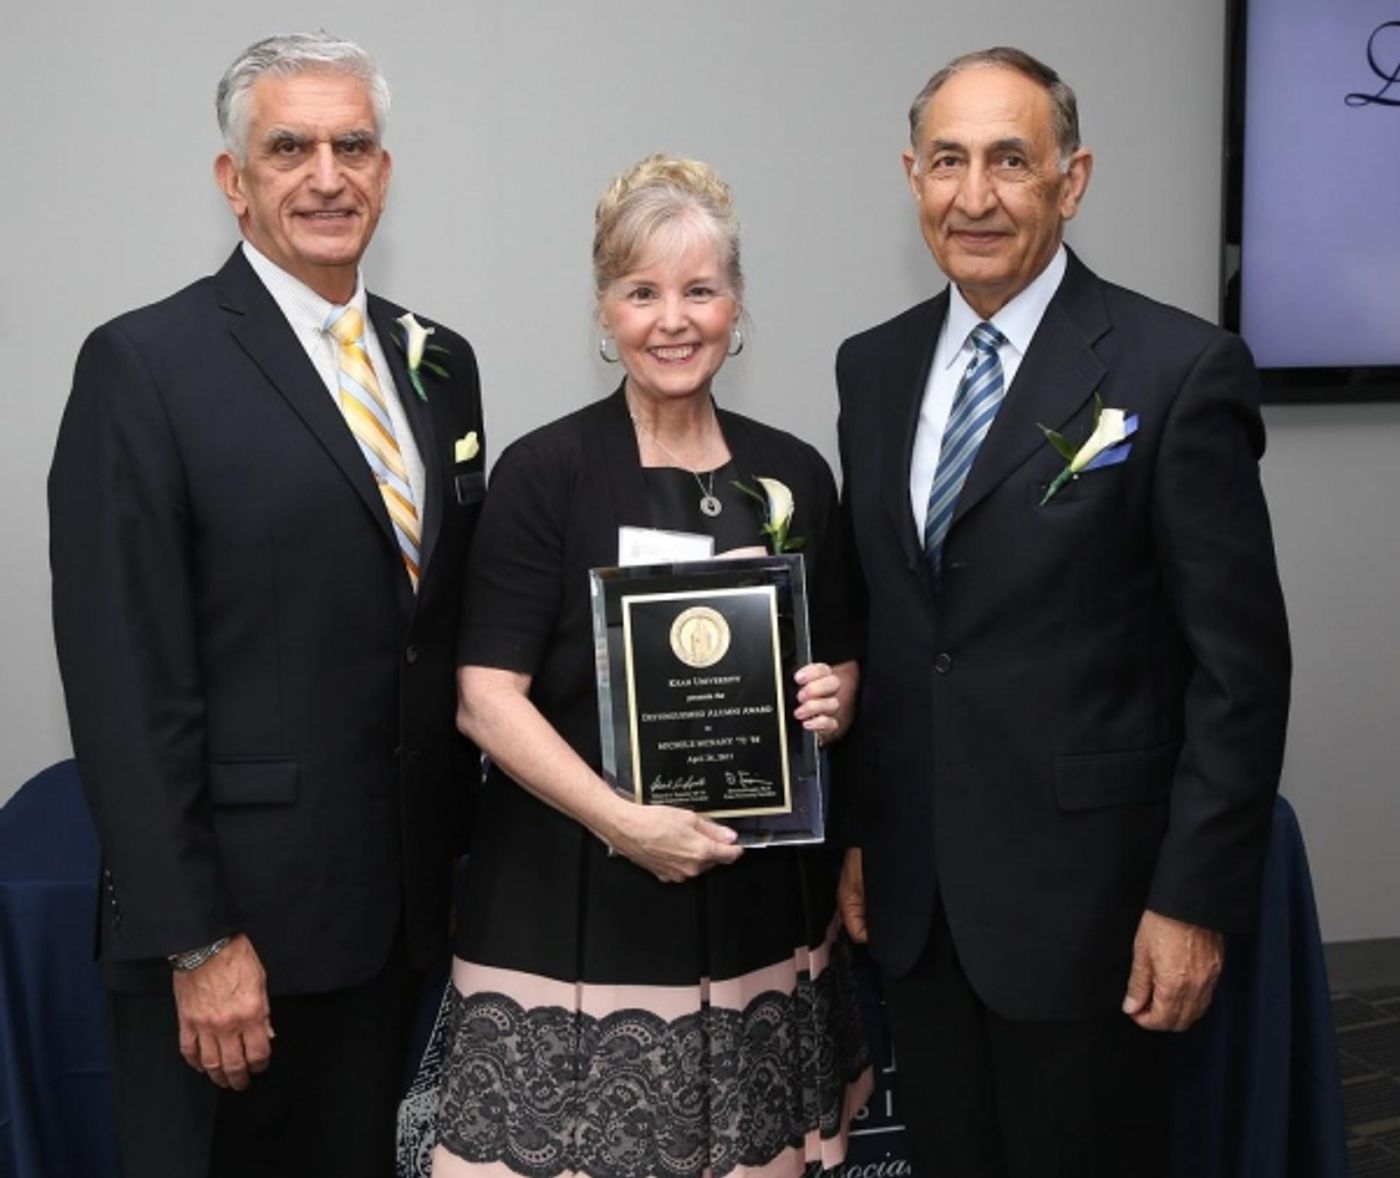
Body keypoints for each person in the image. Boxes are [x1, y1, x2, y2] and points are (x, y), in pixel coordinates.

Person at [833, 47, 1291, 1178]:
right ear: (910, 174)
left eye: (1008, 161)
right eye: (947, 160)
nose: (973, 195)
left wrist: (1189, 900)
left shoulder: (1176, 366)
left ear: (1070, 180)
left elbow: (1238, 668)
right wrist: (854, 834)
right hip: (918, 903)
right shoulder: (872, 368)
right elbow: (892, 630)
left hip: (1094, 912)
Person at [48, 32, 485, 1178]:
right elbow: (120, 677)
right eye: (288, 147)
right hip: (234, 938)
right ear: (233, 180)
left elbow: (448, 628)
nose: (326, 175)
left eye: (353, 145)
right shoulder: (143, 366)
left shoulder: (440, 363)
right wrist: (195, 937)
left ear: (385, 172)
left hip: (395, 925)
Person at [431, 155, 872, 1177]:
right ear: (604, 309)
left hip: (761, 899)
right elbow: (483, 700)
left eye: (699, 289)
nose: (672, 319)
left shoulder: (793, 471)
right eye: (642, 292)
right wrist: (626, 822)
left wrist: (831, 698)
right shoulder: (546, 474)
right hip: (576, 897)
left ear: (736, 305)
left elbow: (843, 659)